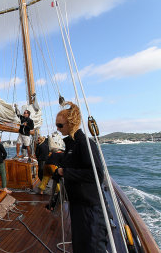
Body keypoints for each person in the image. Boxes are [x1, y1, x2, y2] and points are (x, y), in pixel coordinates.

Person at [52, 101, 107, 252]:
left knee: (92, 246)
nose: (57, 128)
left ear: (71, 124)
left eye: (60, 125)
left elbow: (96, 174)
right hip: (78, 203)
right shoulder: (73, 144)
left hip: (89, 206)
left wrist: (65, 172)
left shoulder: (84, 143)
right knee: (80, 244)